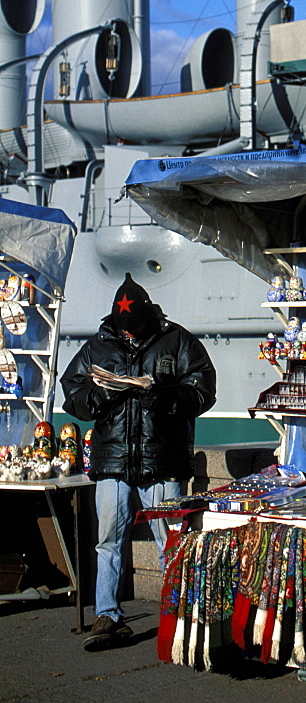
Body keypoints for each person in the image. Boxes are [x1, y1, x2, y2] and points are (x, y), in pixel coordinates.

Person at [61, 273, 216, 651]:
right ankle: (107, 614)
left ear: (148, 316)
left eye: (136, 328)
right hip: (113, 462)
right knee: (108, 541)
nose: (129, 334)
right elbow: (73, 392)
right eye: (123, 328)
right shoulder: (99, 345)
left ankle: (177, 614)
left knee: (171, 542)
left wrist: (164, 397)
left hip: (161, 461)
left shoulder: (177, 341)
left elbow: (204, 390)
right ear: (116, 320)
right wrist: (100, 397)